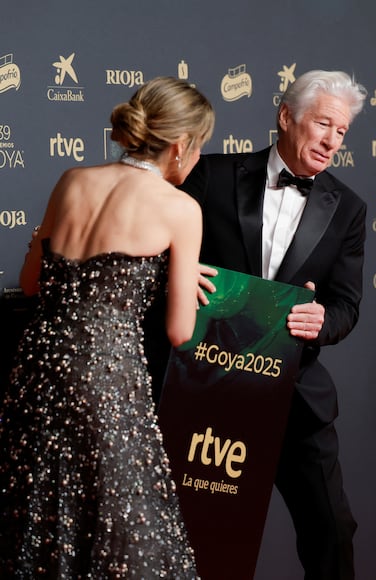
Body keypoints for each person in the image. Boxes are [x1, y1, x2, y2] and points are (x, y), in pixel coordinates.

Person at [0, 76, 214, 578]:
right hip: (105, 384)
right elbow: (180, 331)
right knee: (117, 525)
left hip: (37, 370)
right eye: (201, 146)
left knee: (37, 514)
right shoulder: (181, 209)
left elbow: (32, 283)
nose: (201, 157)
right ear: (180, 146)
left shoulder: (72, 180)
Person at [179, 70, 367, 580]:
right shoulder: (211, 176)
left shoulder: (348, 208)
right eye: (322, 124)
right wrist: (180, 277)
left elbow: (347, 305)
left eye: (342, 131)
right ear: (286, 117)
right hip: (210, 389)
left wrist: (322, 319)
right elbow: (163, 254)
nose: (332, 141)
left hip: (296, 397)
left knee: (332, 532)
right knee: (203, 532)